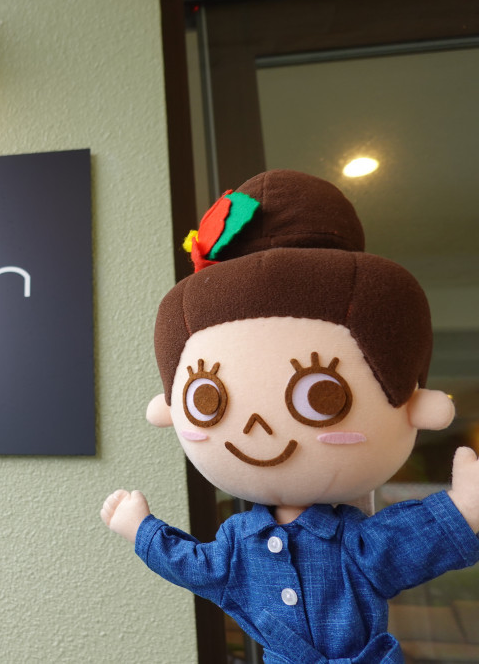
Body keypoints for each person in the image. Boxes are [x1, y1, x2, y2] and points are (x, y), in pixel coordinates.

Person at [100, 170, 479, 663]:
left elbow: (408, 544)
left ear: (412, 405)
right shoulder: (237, 543)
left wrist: (463, 510)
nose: (256, 429)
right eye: (208, 399)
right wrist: (143, 530)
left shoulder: (352, 540)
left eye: (322, 395)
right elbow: (193, 565)